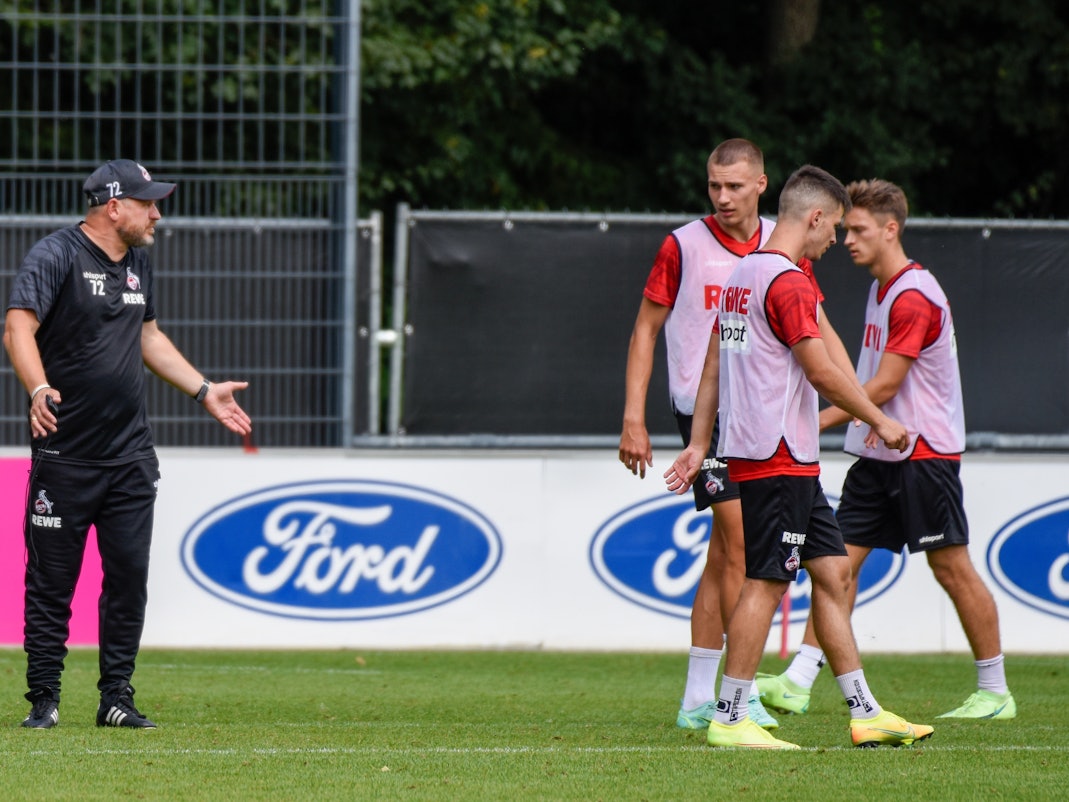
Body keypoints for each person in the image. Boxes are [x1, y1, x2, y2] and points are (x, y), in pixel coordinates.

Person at [664, 165, 933, 749]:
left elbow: (711, 365)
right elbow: (821, 370)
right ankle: (730, 715)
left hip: (785, 458)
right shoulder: (786, 282)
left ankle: (864, 711)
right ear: (814, 218)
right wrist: (880, 419)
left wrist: (698, 443)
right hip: (776, 456)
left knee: (833, 575)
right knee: (765, 582)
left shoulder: (742, 275)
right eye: (833, 226)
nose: (835, 239)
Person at [620, 139, 860, 732]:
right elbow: (647, 330)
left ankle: (701, 695)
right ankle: (739, 695)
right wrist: (633, 417)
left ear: (761, 184)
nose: (722, 197)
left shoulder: (790, 240)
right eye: (713, 186)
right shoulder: (684, 244)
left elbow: (820, 330)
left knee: (725, 555)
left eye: (734, 186)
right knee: (743, 549)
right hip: (706, 415)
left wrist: (859, 398)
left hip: (764, 416)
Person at [4, 159, 253, 729]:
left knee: (128, 582)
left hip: (131, 458)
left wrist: (205, 390)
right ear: (113, 206)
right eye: (148, 203)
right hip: (65, 455)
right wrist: (39, 386)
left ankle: (116, 697)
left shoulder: (138, 262)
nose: (157, 212)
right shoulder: (55, 254)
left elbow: (149, 337)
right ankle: (44, 699)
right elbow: (17, 326)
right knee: (51, 585)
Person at [758, 179, 1016, 721]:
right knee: (834, 567)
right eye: (845, 228)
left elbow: (881, 388)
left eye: (859, 229)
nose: (847, 239)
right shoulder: (881, 289)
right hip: (876, 456)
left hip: (923, 454)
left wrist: (812, 421)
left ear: (890, 229)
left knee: (951, 568)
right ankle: (799, 681)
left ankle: (995, 690)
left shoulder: (914, 295)